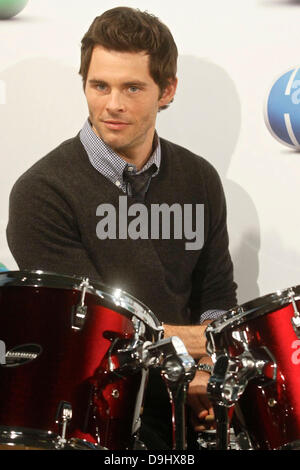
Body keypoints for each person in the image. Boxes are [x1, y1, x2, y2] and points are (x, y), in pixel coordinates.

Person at [6, 6, 237, 449]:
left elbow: (217, 296)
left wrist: (208, 372)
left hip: (189, 403)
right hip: (94, 417)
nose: (112, 104)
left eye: (132, 87)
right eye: (99, 85)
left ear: (166, 90)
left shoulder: (200, 178)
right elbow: (99, 331)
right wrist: (194, 351)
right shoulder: (41, 192)